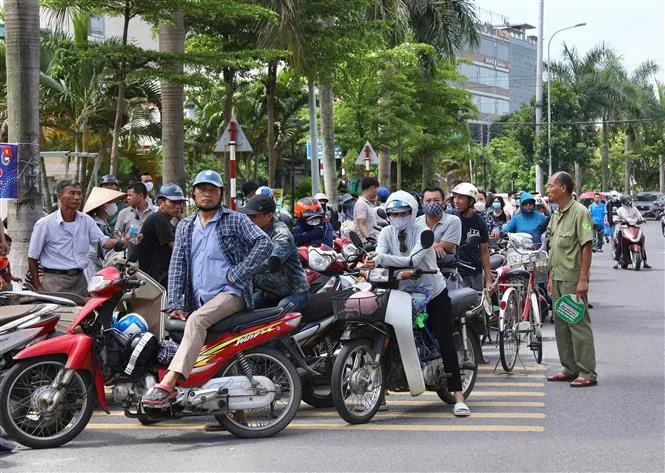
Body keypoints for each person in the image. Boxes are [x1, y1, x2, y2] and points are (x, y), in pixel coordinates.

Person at [142, 170, 272, 407]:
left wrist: (239, 273)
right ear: (193, 195)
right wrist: (176, 304)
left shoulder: (235, 219)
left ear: (220, 194)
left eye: (212, 190)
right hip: (198, 298)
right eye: (202, 189)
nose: (207, 194)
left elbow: (264, 242)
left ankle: (169, 384)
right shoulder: (185, 226)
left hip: (231, 294)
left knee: (197, 322)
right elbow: (178, 265)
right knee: (210, 347)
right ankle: (233, 411)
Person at [364, 190, 470, 417]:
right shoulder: (385, 233)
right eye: (393, 213)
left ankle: (459, 397)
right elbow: (380, 253)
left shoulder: (424, 233)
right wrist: (374, 260)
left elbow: (411, 260)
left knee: (445, 340)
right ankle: (380, 394)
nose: (398, 217)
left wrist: (379, 259)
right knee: (385, 334)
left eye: (403, 213)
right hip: (399, 291)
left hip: (432, 291)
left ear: (412, 212)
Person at [545, 171, 597, 388]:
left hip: (572, 279)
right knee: (561, 324)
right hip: (557, 277)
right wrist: (549, 277)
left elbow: (586, 246)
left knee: (577, 322)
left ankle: (586, 371)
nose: (548, 190)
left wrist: (583, 279)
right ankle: (569, 368)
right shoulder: (556, 214)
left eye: (551, 186)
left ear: (563, 188)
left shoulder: (580, 213)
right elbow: (553, 247)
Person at [28, 180, 122, 295]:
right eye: (72, 193)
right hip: (54, 281)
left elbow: (104, 241)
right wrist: (38, 286)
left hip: (80, 280)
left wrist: (121, 242)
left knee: (84, 312)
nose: (77, 197)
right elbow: (32, 257)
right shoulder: (44, 224)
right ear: (59, 196)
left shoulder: (86, 220)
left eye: (79, 193)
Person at [238, 195, 309, 311]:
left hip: (293, 293)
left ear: (269, 215)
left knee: (279, 320)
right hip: (267, 293)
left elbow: (271, 261)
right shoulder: (251, 232)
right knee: (242, 310)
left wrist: (241, 269)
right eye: (248, 216)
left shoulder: (281, 234)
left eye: (254, 216)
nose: (249, 220)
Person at [137, 184, 187, 287]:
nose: (178, 206)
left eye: (180, 202)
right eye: (173, 202)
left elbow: (188, 229)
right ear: (161, 203)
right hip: (155, 279)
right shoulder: (159, 219)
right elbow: (177, 250)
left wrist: (179, 216)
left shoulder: (165, 219)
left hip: (158, 276)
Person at [450, 183, 493, 292]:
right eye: (455, 197)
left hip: (475, 273)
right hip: (453, 272)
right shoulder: (450, 218)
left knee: (477, 305)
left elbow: (484, 252)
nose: (456, 200)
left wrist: (488, 280)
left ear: (471, 201)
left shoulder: (480, 222)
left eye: (460, 197)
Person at [82, 186, 125, 281]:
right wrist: (119, 242)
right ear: (103, 205)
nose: (114, 205)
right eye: (111, 202)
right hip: (93, 263)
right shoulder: (97, 224)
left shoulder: (104, 224)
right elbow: (104, 246)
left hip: (100, 263)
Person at [417, 187, 461, 266]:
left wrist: (423, 243)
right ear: (422, 203)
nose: (432, 204)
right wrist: (433, 244)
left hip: (445, 271)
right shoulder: (416, 222)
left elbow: (444, 248)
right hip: (418, 271)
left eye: (436, 200)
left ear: (443, 202)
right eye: (428, 201)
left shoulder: (453, 221)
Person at [613, 195, 651, 269]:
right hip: (623, 229)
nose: (628, 201)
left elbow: (639, 216)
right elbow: (615, 218)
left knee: (640, 241)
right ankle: (616, 262)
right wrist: (617, 220)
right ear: (623, 201)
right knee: (620, 245)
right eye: (627, 200)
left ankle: (645, 262)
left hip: (634, 227)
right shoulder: (620, 210)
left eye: (629, 200)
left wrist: (642, 219)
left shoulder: (634, 209)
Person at [353, 176, 380, 242]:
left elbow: (370, 221)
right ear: (372, 188)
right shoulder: (361, 204)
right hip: (366, 243)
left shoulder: (368, 203)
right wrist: (368, 239)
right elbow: (361, 224)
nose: (377, 191)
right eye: (377, 189)